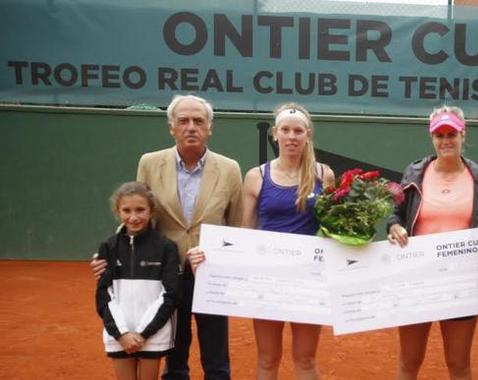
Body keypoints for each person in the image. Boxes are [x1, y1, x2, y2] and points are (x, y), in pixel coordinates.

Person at [92, 94, 243, 380]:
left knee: (216, 351)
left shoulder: (230, 168)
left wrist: (227, 263)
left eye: (198, 121)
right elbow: (138, 215)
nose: (191, 127)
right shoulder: (149, 163)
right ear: (171, 127)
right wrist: (111, 254)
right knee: (174, 348)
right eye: (183, 121)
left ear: (210, 127)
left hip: (211, 272)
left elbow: (234, 225)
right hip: (164, 272)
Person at [191, 103, 334, 379]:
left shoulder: (323, 175)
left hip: (309, 280)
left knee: (305, 359)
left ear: (308, 135)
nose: (292, 136)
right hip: (267, 281)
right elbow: (247, 230)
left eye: (298, 131)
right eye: (286, 130)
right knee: (268, 359)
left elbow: (333, 226)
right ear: (275, 134)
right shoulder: (256, 176)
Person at [386, 106, 478, 380]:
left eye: (452, 134)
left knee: (458, 363)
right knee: (409, 362)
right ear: (432, 138)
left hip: (460, 284)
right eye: (440, 135)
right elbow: (396, 213)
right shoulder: (414, 174)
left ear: (463, 134)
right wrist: (394, 226)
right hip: (416, 279)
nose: (446, 140)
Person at [96, 181, 181, 380]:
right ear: (118, 211)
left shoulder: (166, 247)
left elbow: (170, 295)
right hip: (119, 335)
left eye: (140, 210)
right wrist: (122, 334)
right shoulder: (108, 247)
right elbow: (103, 295)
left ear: (151, 211)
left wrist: (144, 333)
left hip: (152, 335)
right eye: (126, 210)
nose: (133, 217)